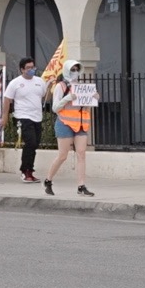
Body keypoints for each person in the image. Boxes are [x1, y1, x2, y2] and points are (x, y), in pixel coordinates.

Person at [43, 60, 95, 197]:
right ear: (66, 70)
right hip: (65, 123)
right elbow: (55, 108)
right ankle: (48, 180)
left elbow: (85, 107)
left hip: (81, 124)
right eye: (73, 69)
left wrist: (93, 99)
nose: (75, 72)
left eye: (77, 69)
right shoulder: (60, 86)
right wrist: (68, 98)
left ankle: (81, 186)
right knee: (63, 155)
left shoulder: (81, 87)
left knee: (81, 154)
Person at [2, 57, 46, 183]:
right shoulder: (15, 83)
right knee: (30, 142)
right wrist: (5, 116)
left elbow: (44, 96)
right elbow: (7, 99)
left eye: (33, 67)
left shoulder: (40, 81)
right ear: (22, 69)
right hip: (22, 117)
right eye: (28, 68)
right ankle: (25, 171)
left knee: (35, 144)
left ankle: (30, 170)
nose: (31, 70)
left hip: (37, 117)